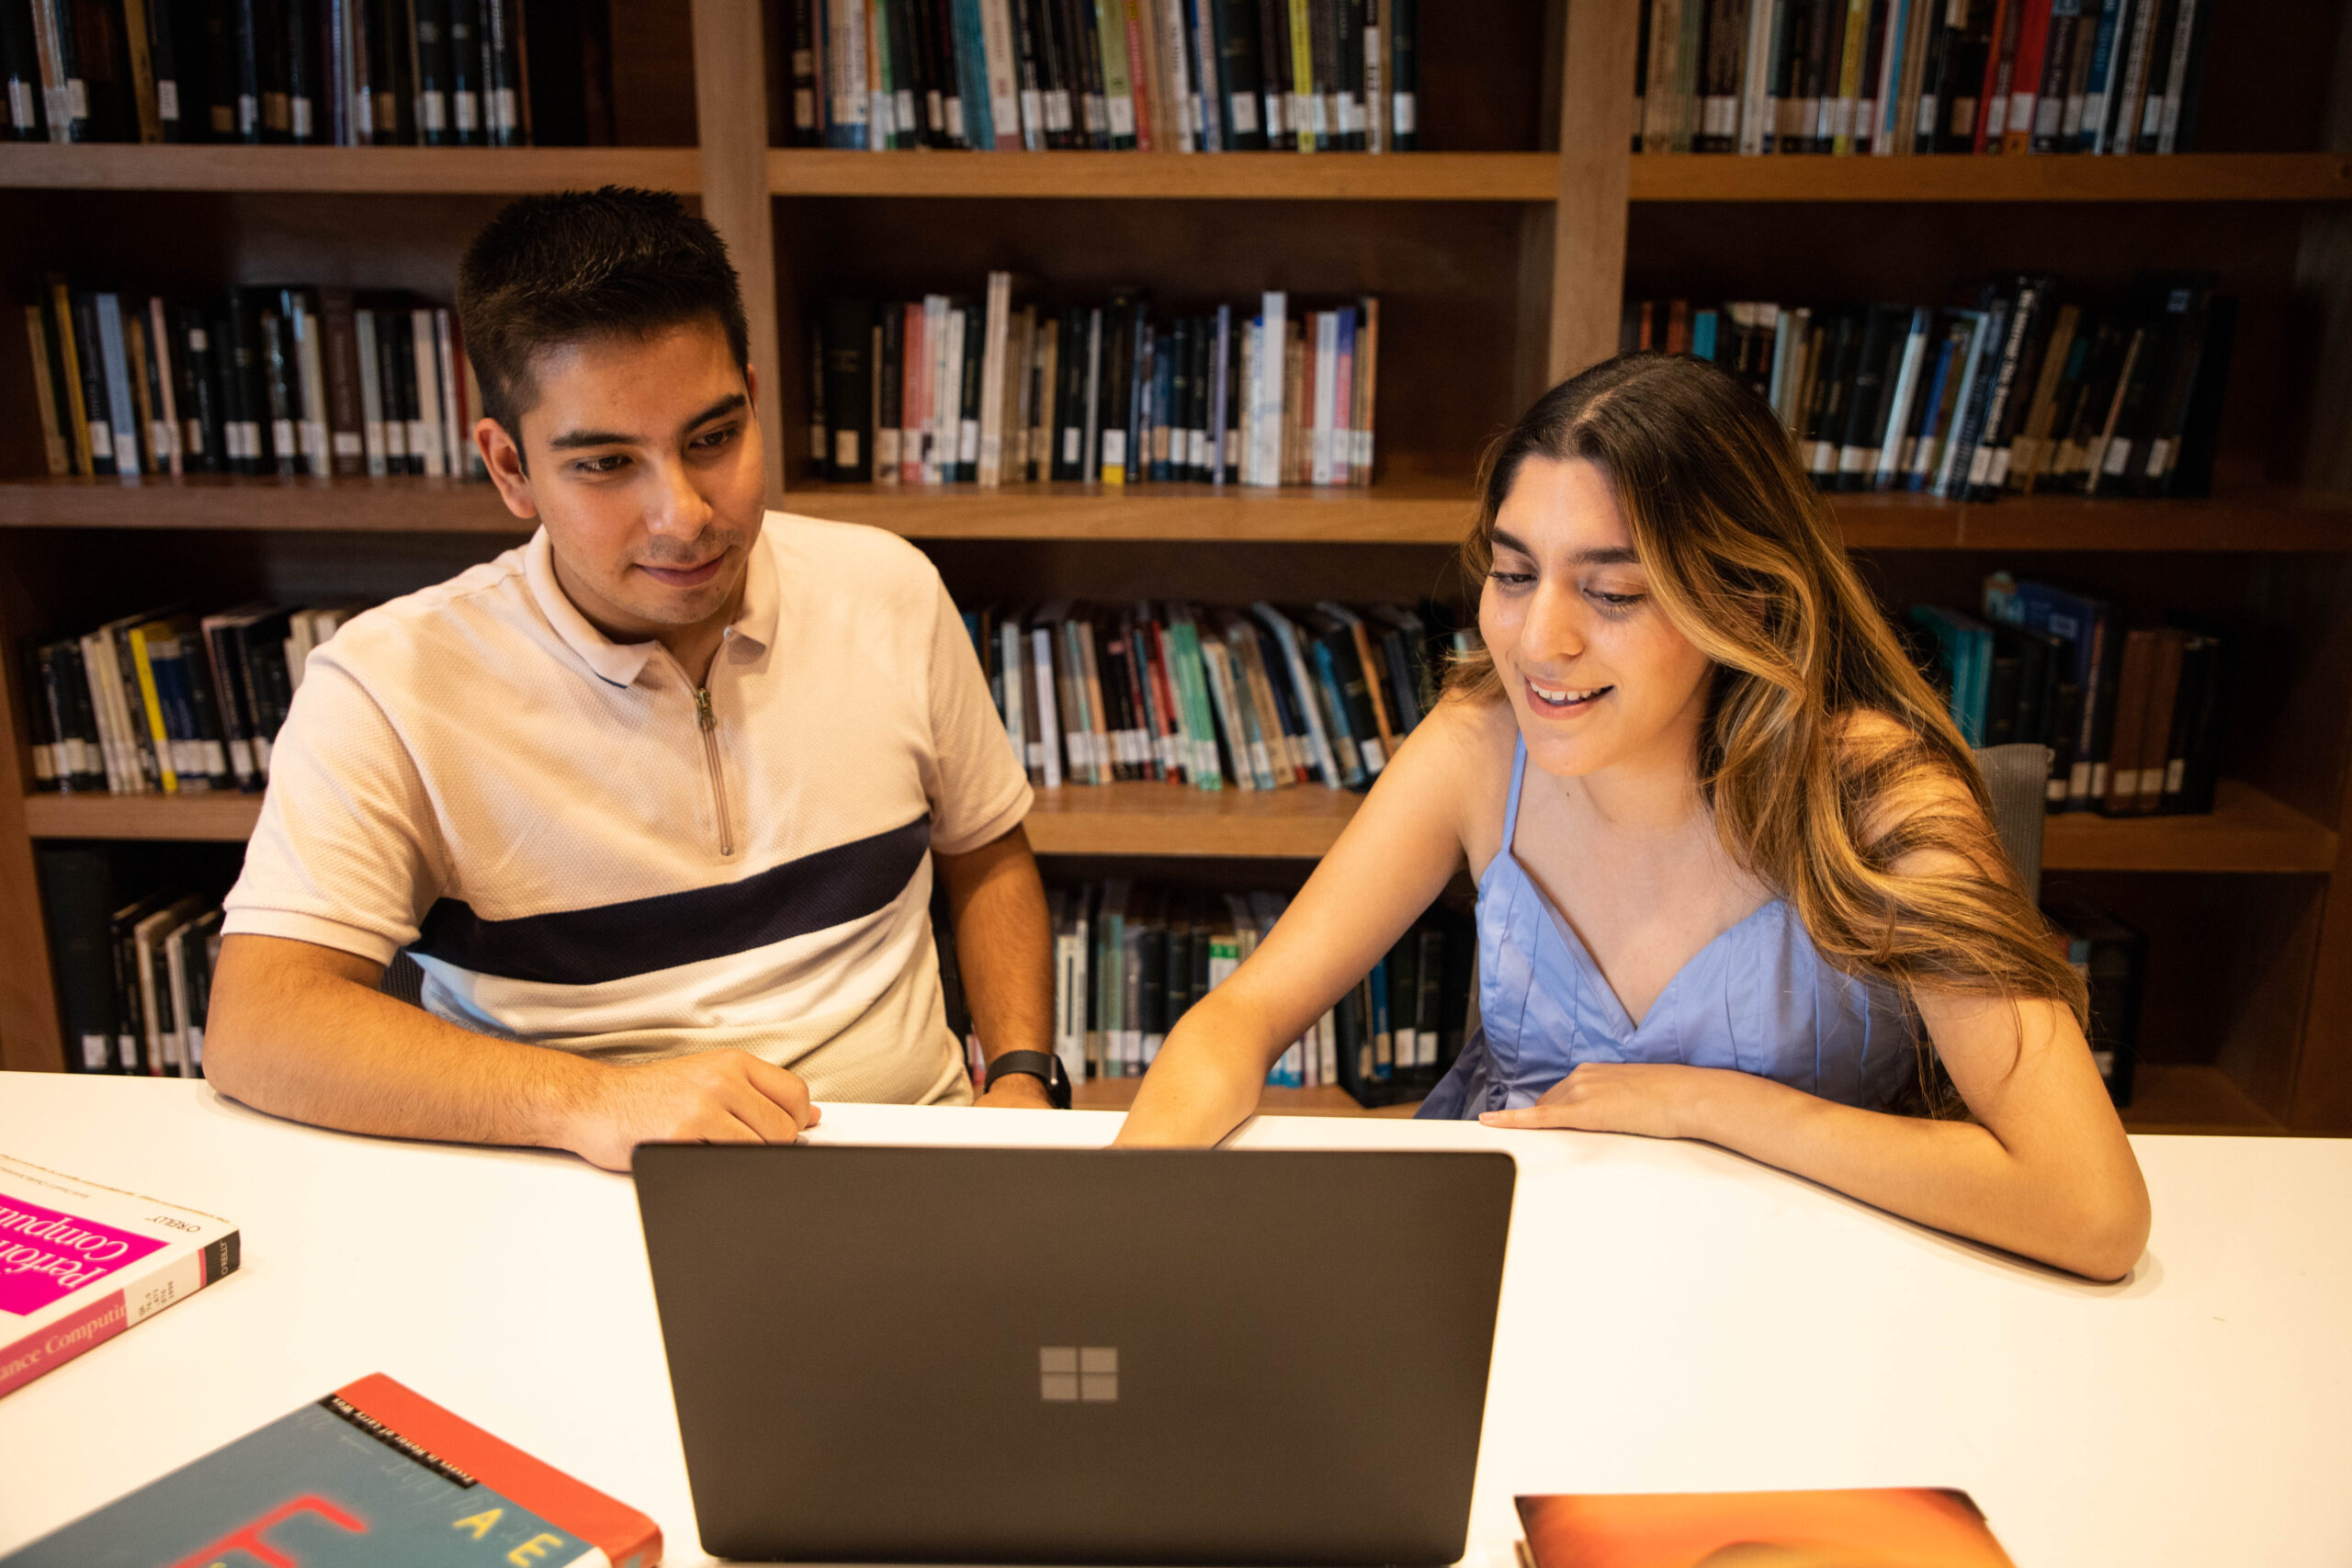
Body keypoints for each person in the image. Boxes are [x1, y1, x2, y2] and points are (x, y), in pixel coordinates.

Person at [1116, 353, 2152, 1281]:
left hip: (1809, 1291)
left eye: (1610, 594)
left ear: (1743, 601)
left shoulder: (1880, 798)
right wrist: (1110, 1221)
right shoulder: (1478, 743)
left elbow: (2090, 1209)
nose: (1537, 642)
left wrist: (1708, 1107)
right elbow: (1238, 1022)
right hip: (1532, 1272)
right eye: (1514, 576)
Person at [204, 187, 1063, 1171]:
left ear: (750, 395)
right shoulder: (389, 685)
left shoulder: (889, 589)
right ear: (510, 469)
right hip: (570, 1181)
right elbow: (258, 1022)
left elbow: (986, 854)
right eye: (608, 463)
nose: (684, 515)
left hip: (909, 1156)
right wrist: (589, 1103)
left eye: (712, 439)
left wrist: (1022, 1079)